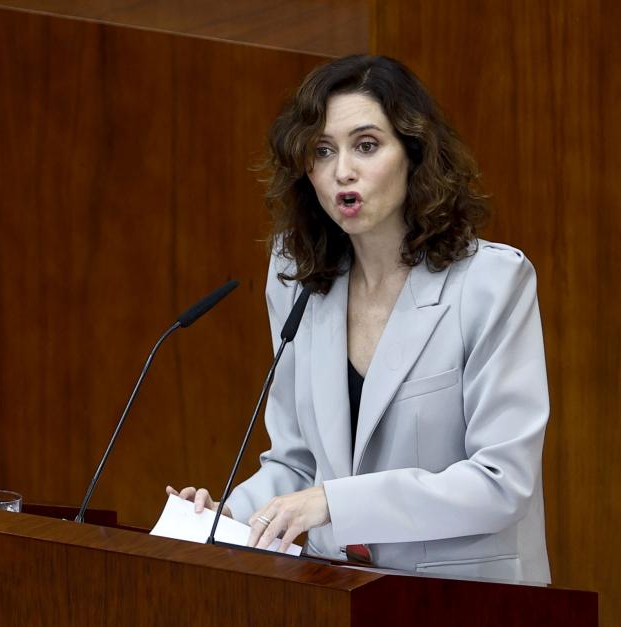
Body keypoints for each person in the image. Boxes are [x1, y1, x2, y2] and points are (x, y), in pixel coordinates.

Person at [168, 55, 551, 584]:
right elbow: (298, 463)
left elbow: (502, 482)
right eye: (322, 151)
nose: (342, 170)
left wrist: (332, 502)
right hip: (339, 594)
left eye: (366, 146)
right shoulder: (299, 278)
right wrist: (227, 517)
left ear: (413, 155)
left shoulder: (490, 283)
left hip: (463, 598)